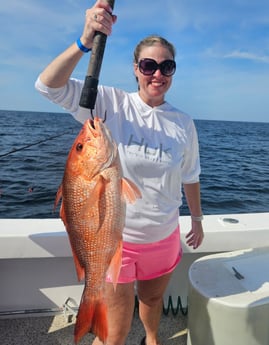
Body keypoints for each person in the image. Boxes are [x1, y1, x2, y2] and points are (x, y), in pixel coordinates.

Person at [35, 1, 204, 344]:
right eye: (149, 65)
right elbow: (48, 86)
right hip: (117, 244)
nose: (157, 74)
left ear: (173, 71)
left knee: (153, 299)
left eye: (166, 66)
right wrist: (85, 40)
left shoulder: (184, 123)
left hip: (164, 235)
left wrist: (197, 220)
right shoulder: (110, 103)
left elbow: (190, 175)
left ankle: (154, 338)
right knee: (115, 333)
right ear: (135, 69)